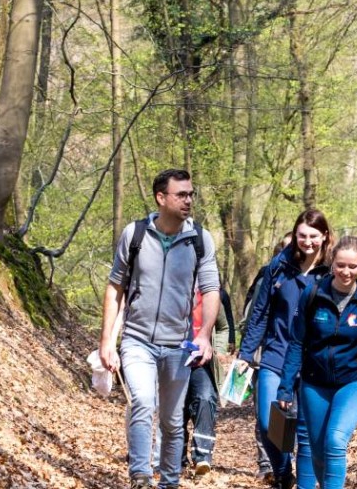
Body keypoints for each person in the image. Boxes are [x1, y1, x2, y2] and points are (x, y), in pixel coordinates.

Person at [99, 169, 221, 489]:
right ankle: (140, 475)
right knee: (142, 400)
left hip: (178, 344)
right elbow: (115, 288)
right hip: (138, 339)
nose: (188, 200)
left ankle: (169, 481)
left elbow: (210, 290)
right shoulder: (134, 235)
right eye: (181, 194)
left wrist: (204, 335)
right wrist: (107, 342)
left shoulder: (199, 240)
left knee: (171, 421)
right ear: (161, 197)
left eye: (191, 194)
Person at [277, 236, 357, 489]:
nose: (346, 272)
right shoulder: (313, 294)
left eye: (352, 266)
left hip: (354, 383)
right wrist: (285, 385)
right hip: (314, 383)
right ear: (332, 262)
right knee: (316, 449)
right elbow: (296, 343)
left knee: (335, 441)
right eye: (340, 265)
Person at [237, 210, 334, 488]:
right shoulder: (278, 267)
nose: (308, 241)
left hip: (313, 362)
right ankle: (282, 472)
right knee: (269, 423)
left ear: (325, 236)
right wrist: (246, 354)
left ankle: (304, 481)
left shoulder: (331, 272)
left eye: (314, 236)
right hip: (275, 356)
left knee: (306, 432)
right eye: (302, 235)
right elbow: (260, 314)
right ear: (295, 235)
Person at [181, 287, 235, 477]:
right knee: (177, 407)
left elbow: (223, 327)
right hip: (172, 361)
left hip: (202, 362)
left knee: (205, 398)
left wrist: (218, 351)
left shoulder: (210, 294)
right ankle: (177, 456)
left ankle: (202, 456)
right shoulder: (169, 287)